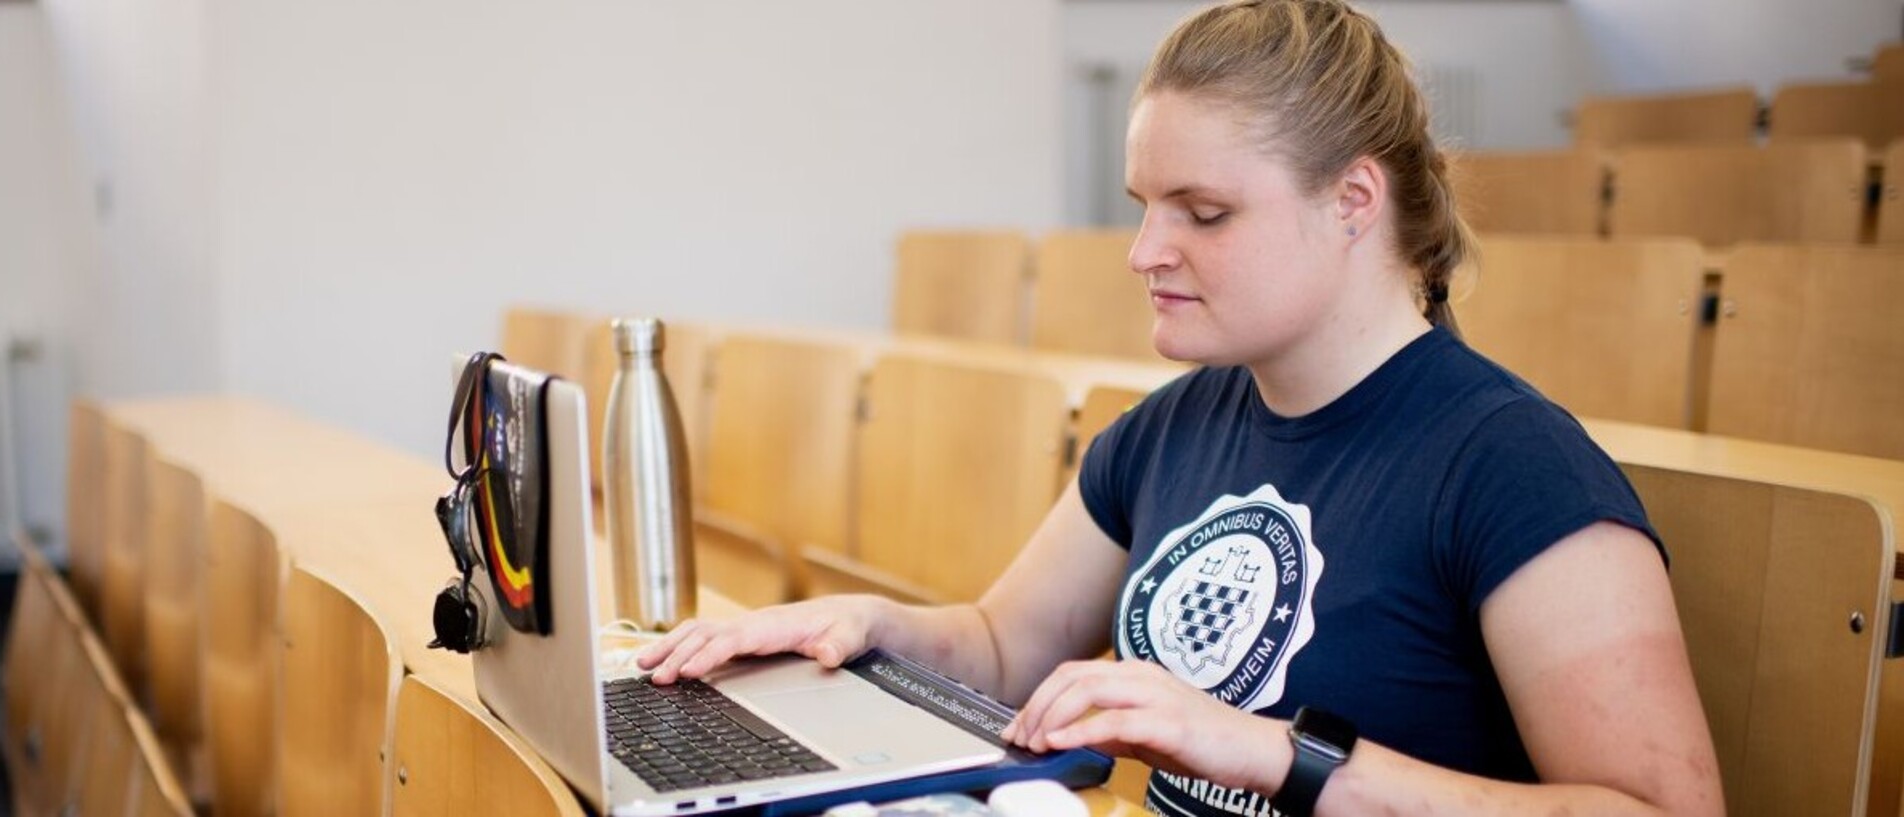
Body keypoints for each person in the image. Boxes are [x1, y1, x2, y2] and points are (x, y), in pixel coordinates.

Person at [637, 1, 1723, 814]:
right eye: (1146, 207)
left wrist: (1274, 752)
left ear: (1353, 202)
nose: (1146, 252)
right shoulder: (1173, 423)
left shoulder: (1510, 464)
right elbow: (1001, 643)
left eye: (1203, 212)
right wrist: (869, 627)